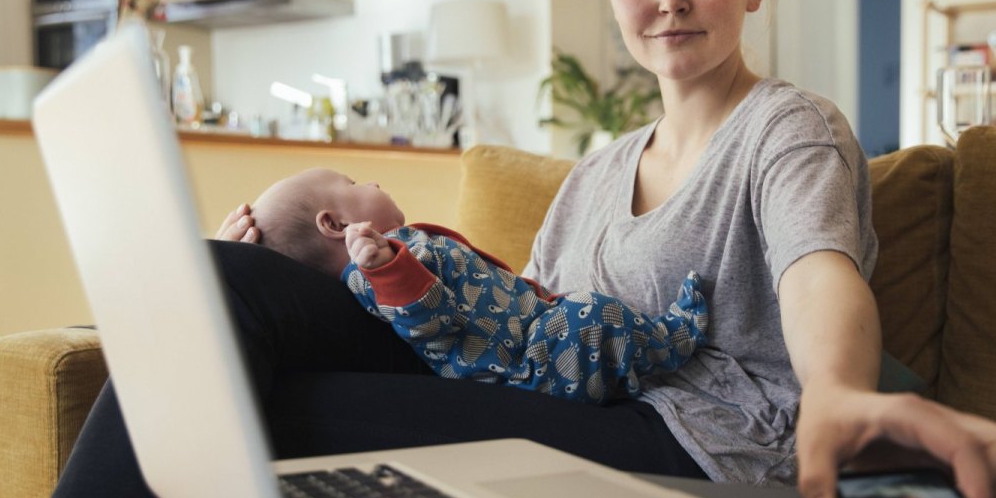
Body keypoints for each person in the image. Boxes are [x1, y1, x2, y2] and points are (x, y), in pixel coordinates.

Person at [6, 0, 996, 498]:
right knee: (218, 288)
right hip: (573, 400)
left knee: (248, 408)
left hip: (703, 441)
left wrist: (836, 392)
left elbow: (817, 267)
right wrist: (285, 269)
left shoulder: (787, 128)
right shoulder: (594, 174)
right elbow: (505, 325)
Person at [249, 167, 709, 405]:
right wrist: (385, 268)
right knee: (593, 315)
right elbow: (433, 322)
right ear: (336, 223)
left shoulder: (399, 248)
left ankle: (631, 366)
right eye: (350, 182)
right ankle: (671, 340)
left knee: (580, 314)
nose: (370, 180)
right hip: (520, 369)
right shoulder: (371, 275)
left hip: (533, 332)